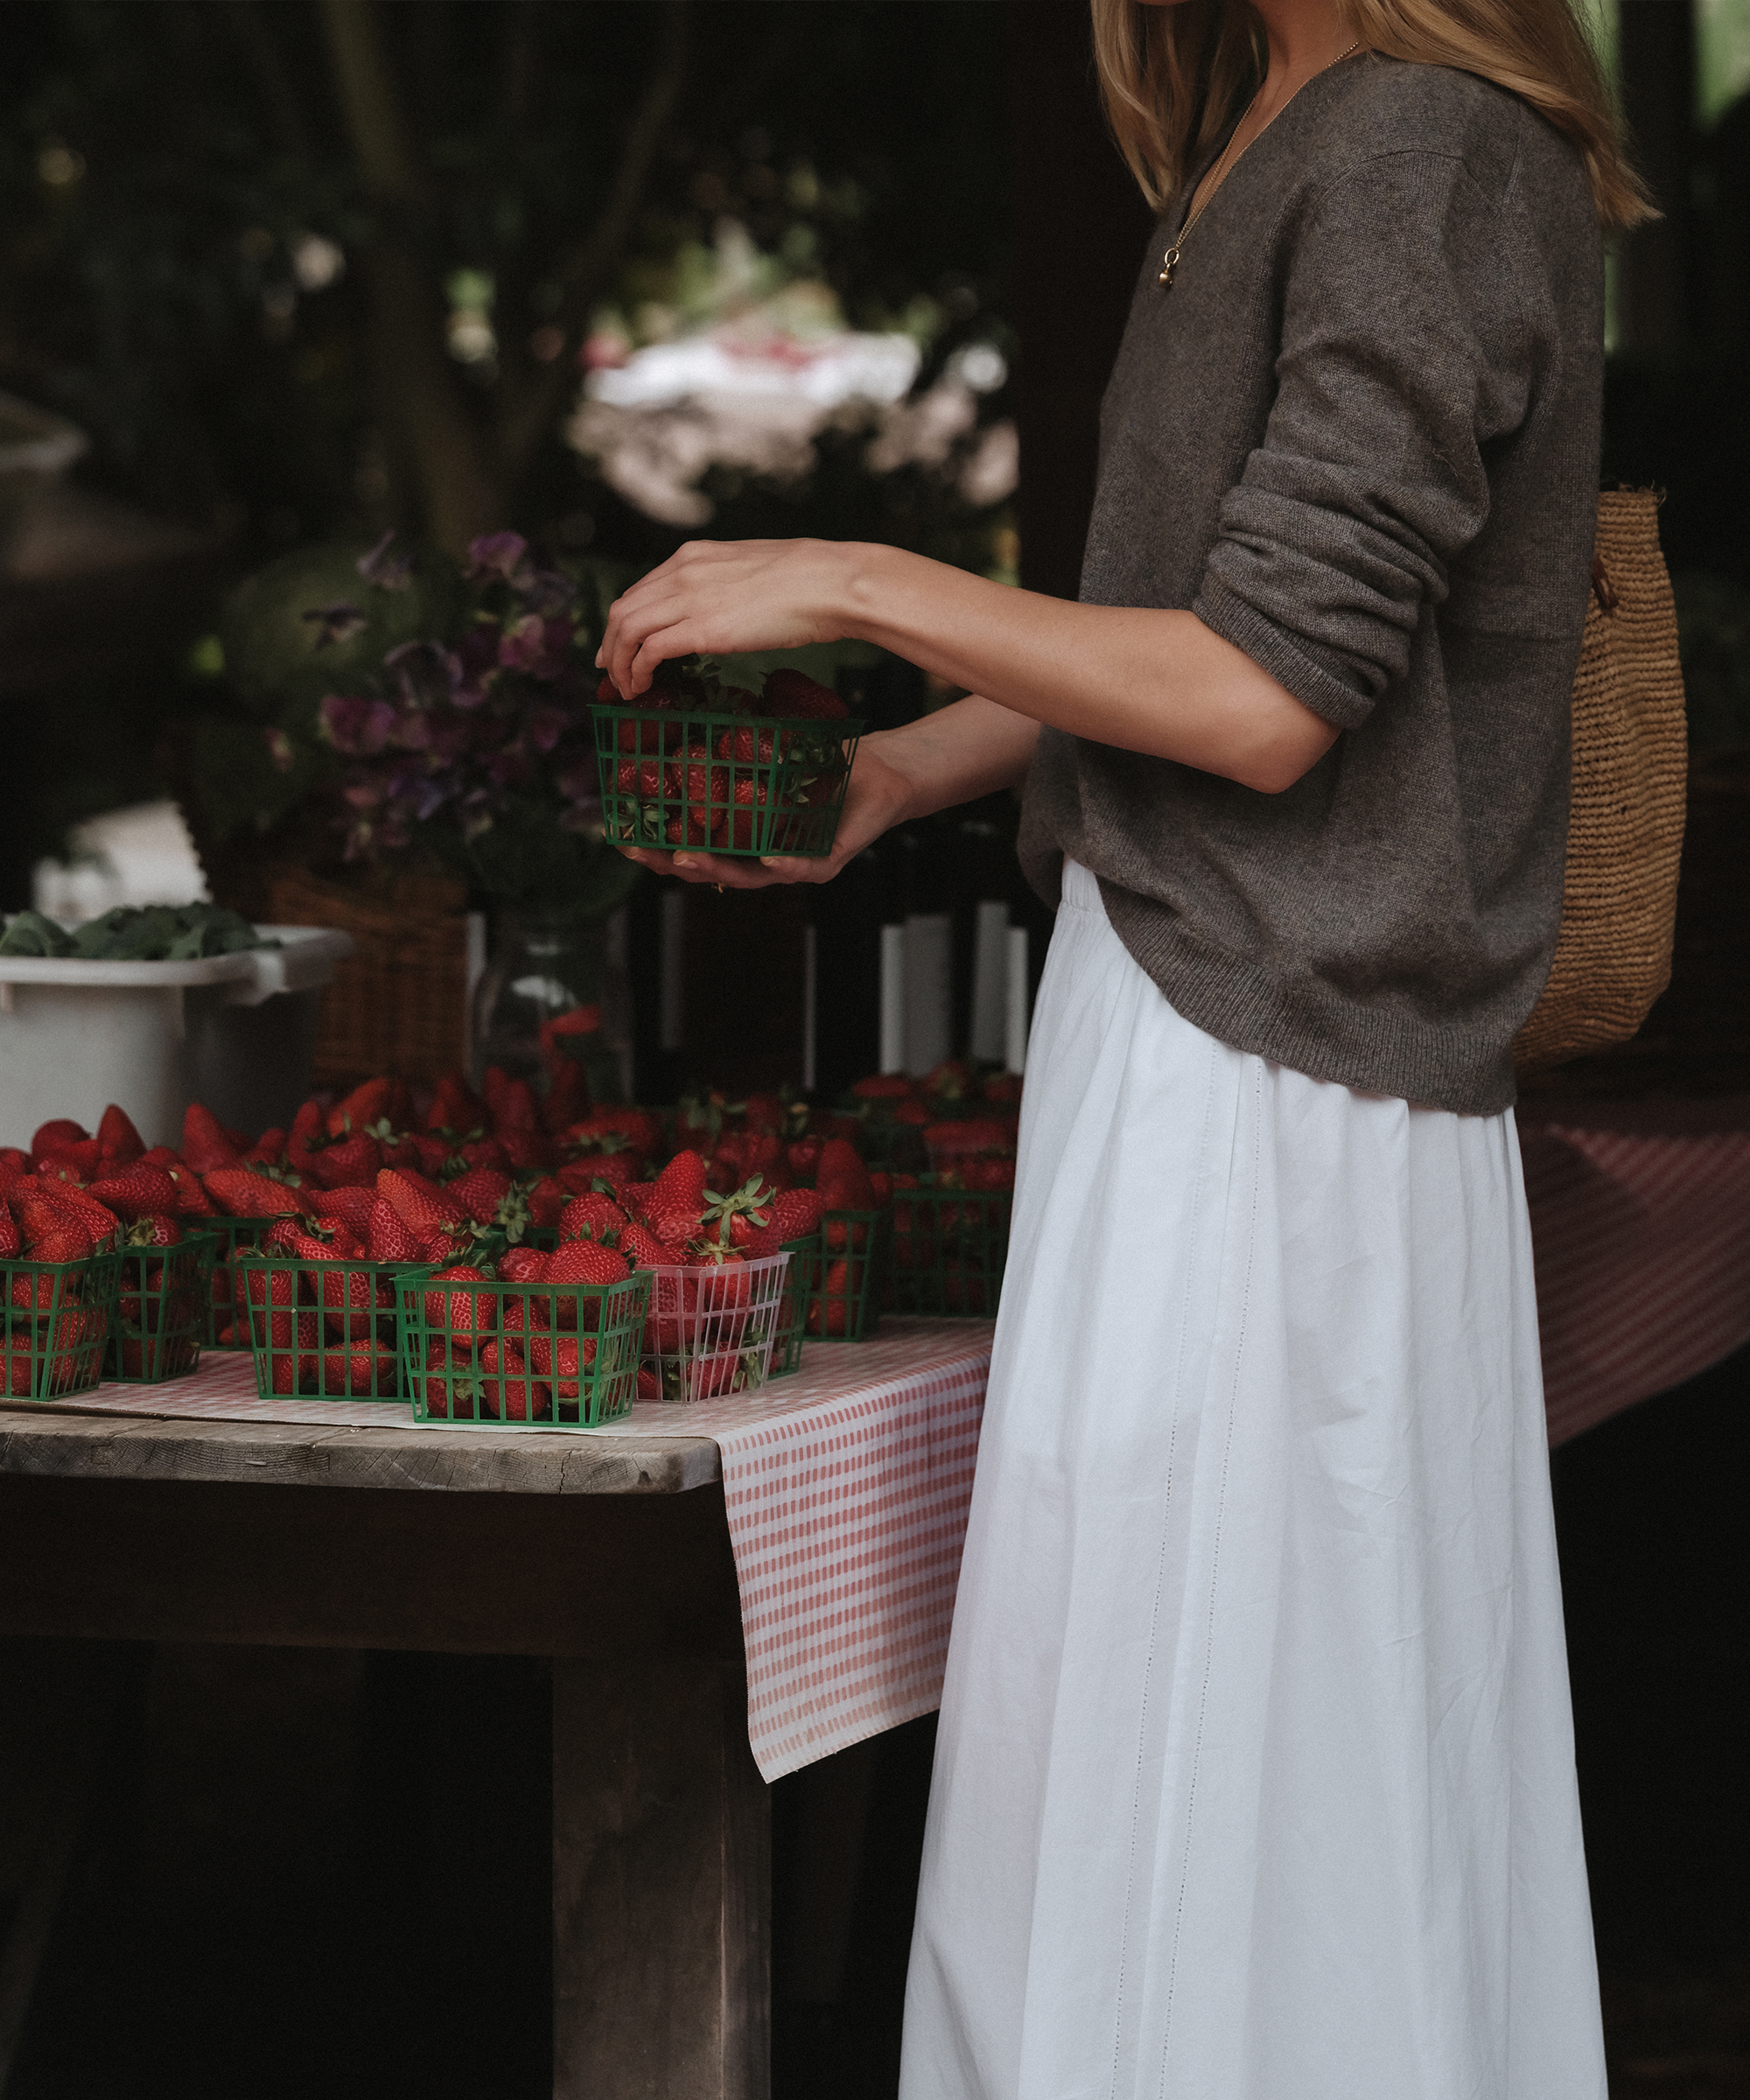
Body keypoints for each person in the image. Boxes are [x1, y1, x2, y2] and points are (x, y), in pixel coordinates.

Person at [598, 2, 1649, 2090]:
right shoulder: (1270, 126)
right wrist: (904, 771)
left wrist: (859, 577)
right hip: (1181, 1023)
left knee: (1230, 1786)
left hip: (1286, 1081)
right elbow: (1182, 620)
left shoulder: (1416, 147)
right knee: (1161, 1759)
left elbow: (1265, 697)